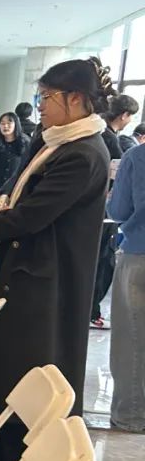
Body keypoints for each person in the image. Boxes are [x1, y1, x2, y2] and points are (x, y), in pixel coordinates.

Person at [0, 57, 114, 461]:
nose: (40, 105)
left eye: (47, 97)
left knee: (25, 367)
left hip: (47, 280)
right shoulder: (57, 142)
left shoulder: (83, 153)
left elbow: (32, 215)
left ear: (76, 99)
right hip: (26, 272)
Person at [107, 140, 145, 432]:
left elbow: (118, 209)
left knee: (132, 338)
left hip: (139, 253)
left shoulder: (136, 157)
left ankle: (132, 416)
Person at [93, 93, 140, 328]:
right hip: (104, 216)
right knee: (102, 262)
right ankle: (92, 311)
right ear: (124, 115)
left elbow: (120, 206)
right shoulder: (112, 141)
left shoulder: (103, 138)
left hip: (132, 241)